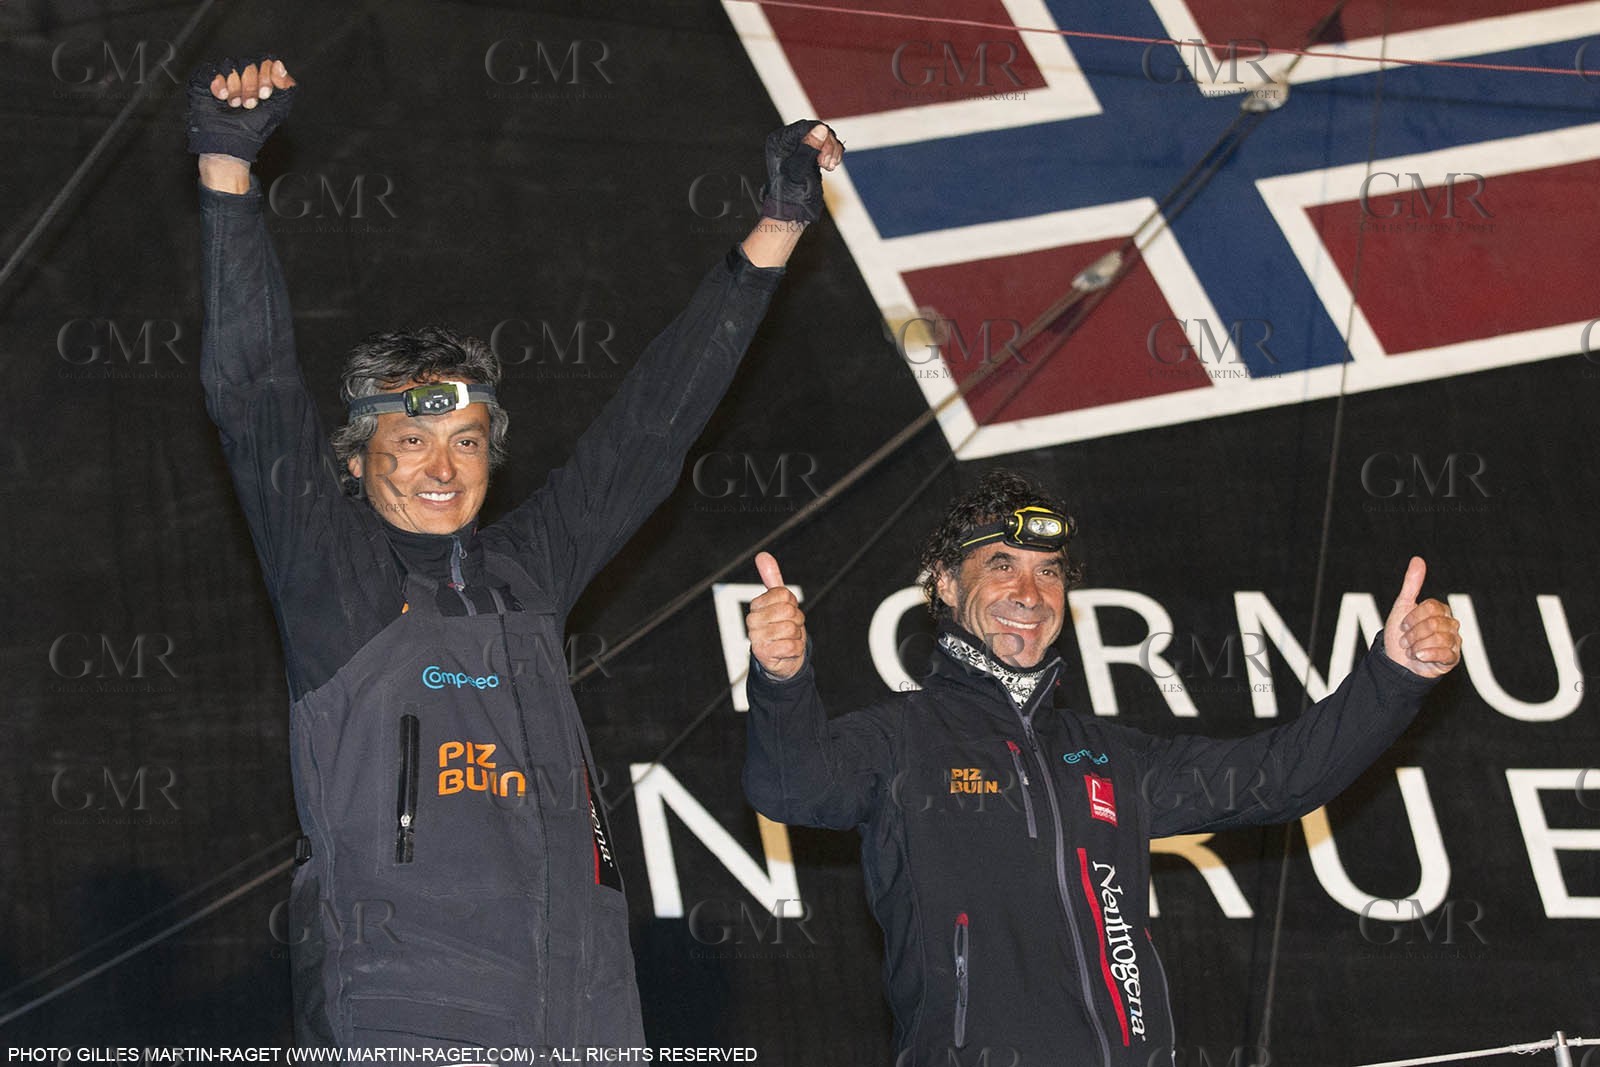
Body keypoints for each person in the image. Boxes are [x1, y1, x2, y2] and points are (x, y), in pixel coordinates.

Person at [188, 57, 841, 1049]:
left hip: (587, 1016)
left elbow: (652, 425)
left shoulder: (530, 569)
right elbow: (253, 393)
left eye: (466, 440)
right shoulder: (332, 572)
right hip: (411, 1012)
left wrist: (780, 226)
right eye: (410, 441)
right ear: (359, 458)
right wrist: (227, 170)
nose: (444, 467)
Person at [742, 469, 1461, 1067]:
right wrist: (782, 678)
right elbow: (791, 787)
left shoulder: (1109, 754)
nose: (1031, 594)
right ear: (944, 585)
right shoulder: (900, 738)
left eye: (1049, 572)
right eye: (1002, 566)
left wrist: (1393, 675)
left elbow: (1281, 777)